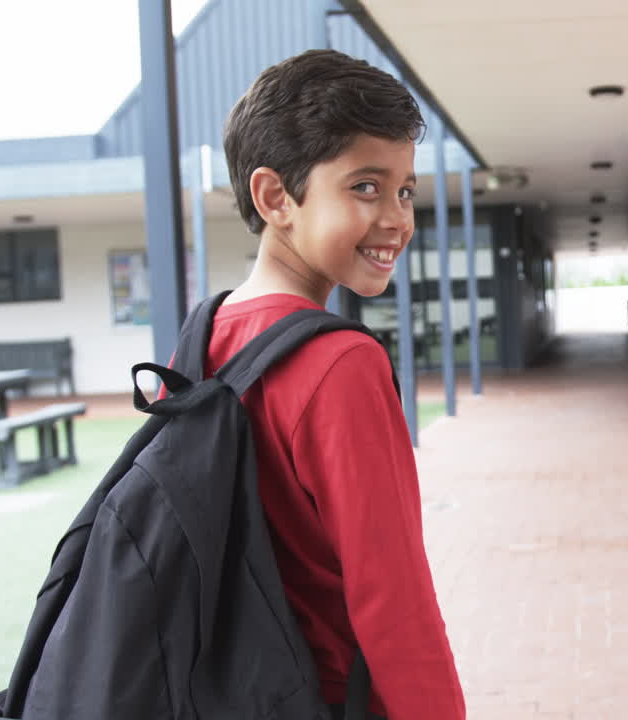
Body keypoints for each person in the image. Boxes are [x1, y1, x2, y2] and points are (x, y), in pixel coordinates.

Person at [210, 49, 465, 719]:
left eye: (405, 190)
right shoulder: (339, 364)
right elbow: (393, 601)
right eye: (366, 187)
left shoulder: (206, 336)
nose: (398, 219)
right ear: (275, 198)